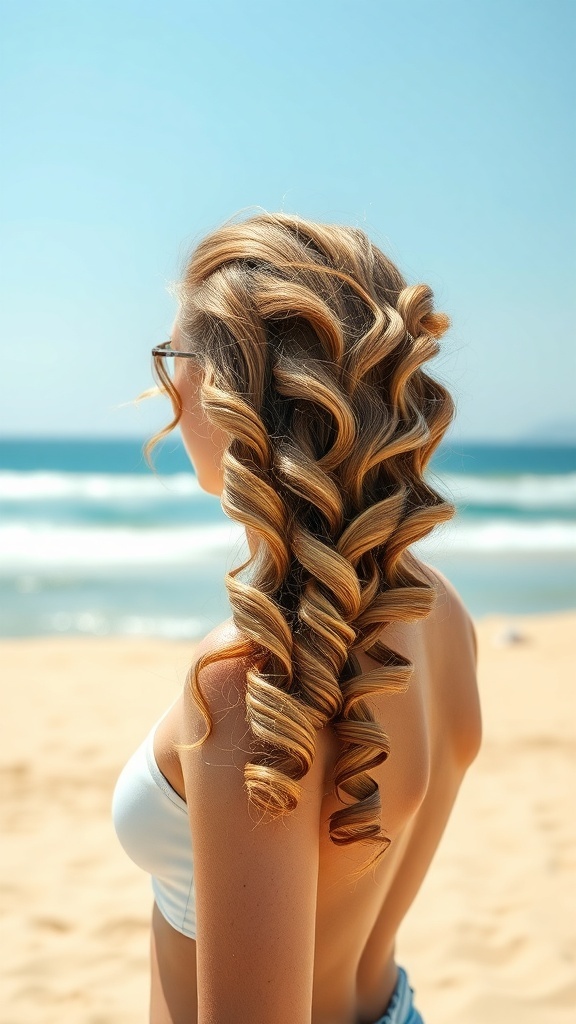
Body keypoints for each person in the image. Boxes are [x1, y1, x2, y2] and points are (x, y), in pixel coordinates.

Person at [112, 212, 481, 1024]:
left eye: (174, 358)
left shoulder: (254, 674)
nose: (165, 391)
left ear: (239, 391)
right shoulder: (437, 607)